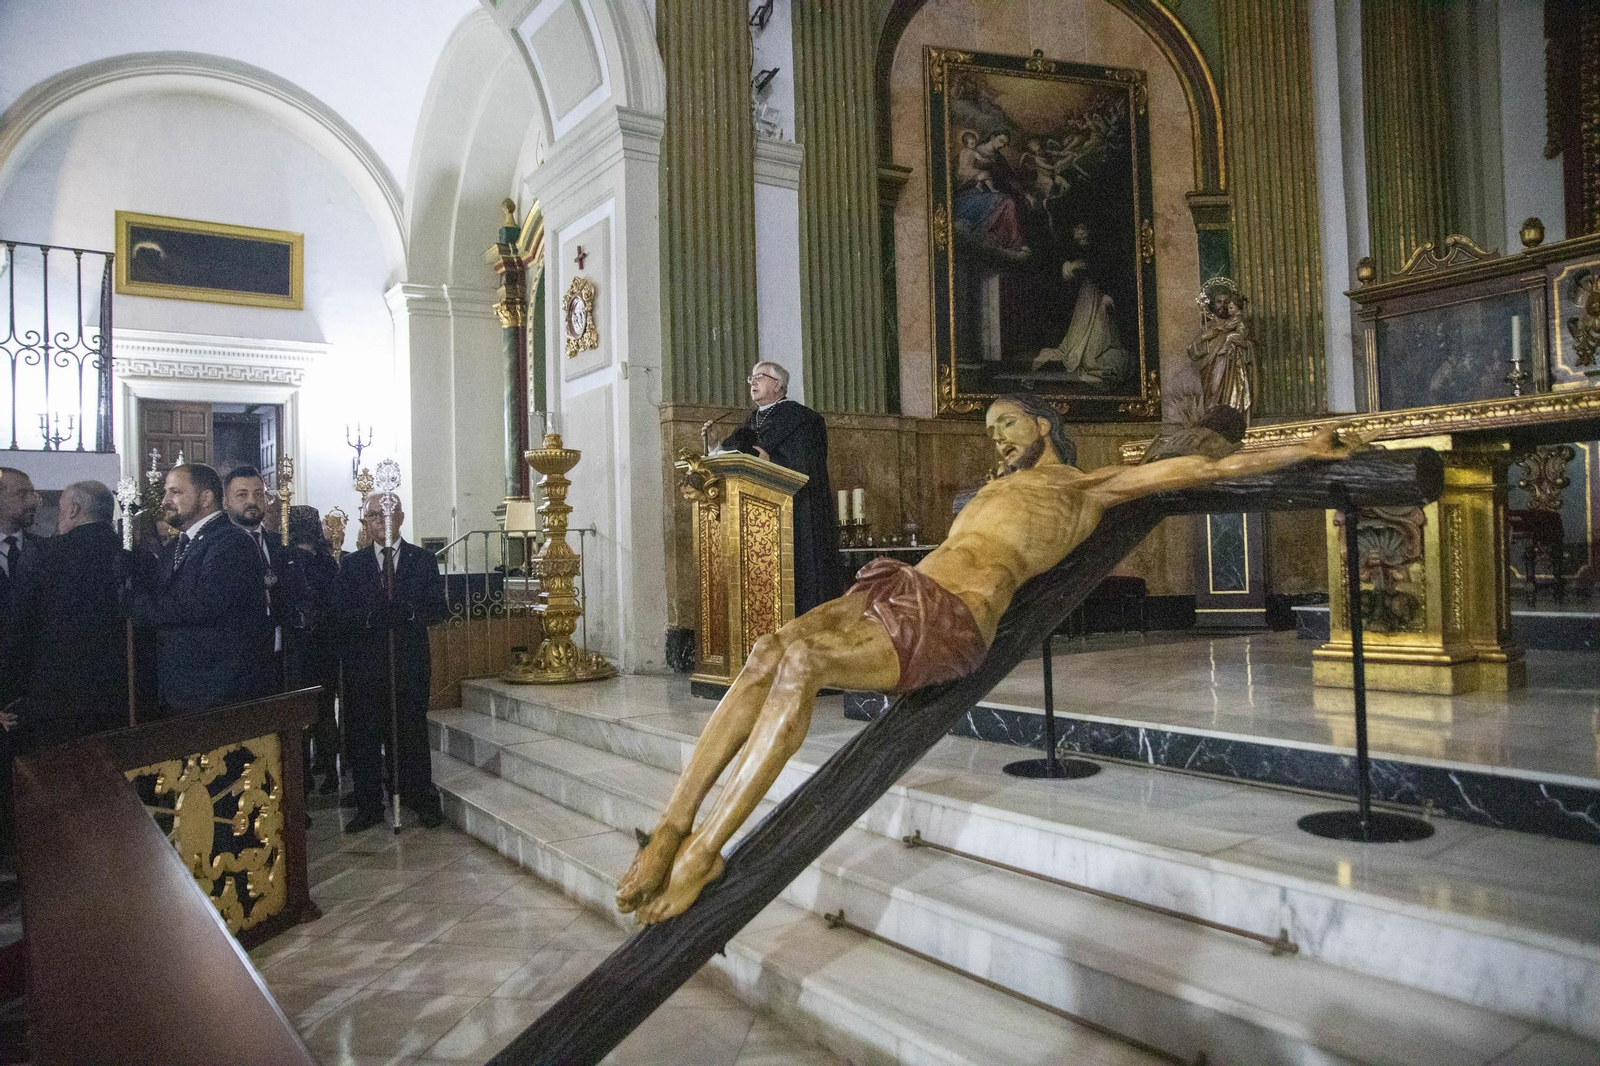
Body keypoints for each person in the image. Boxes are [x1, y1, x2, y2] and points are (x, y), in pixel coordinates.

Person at [618, 393, 1357, 924]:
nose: (997, 438)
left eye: (1007, 423)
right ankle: (672, 828)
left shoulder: (1086, 486)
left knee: (802, 670)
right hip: (899, 585)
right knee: (767, 650)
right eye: (990, 429)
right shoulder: (996, 488)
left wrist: (1306, 447)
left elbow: (1203, 472)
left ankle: (708, 851)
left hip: (950, 617)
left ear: (1045, 424)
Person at [334, 493, 447, 832]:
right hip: (366, 668)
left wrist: (409, 613)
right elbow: (339, 614)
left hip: (409, 663)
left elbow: (438, 610)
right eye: (373, 516)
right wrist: (370, 618)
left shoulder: (422, 560)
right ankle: (370, 806)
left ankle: (419, 796)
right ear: (365, 522)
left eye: (387, 514)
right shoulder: (352, 565)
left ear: (400, 517)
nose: (380, 521)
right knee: (366, 735)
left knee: (411, 732)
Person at [127, 463, 276, 716]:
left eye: (175, 492)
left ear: (206, 497)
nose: (165, 501)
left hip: (217, 693)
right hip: (184, 691)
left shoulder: (231, 542)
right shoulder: (180, 544)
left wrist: (139, 606)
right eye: (166, 492)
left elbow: (204, 605)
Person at [712, 361, 842, 615]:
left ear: (778, 385)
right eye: (751, 378)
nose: (753, 382)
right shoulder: (751, 421)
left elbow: (808, 465)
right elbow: (731, 456)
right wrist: (715, 445)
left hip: (797, 516)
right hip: (756, 522)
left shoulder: (803, 419)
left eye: (759, 377)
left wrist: (772, 462)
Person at [13, 481, 130, 748]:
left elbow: (21, 624)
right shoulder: (134, 557)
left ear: (74, 509)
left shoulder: (45, 557)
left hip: (55, 697)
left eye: (61, 509)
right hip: (121, 695)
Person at [223, 465, 314, 690]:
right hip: (235, 667)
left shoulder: (280, 546)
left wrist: (299, 616)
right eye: (242, 495)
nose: (251, 501)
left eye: (258, 494)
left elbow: (302, 595)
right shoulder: (219, 548)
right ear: (225, 502)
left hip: (281, 661)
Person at [287, 504, 342, 793]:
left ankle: (306, 776)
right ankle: (329, 771)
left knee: (303, 713)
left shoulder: (289, 560)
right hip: (326, 646)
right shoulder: (327, 561)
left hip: (302, 646)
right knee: (324, 712)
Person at [0, 468, 45, 713]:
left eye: (32, 494)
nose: (32, 502)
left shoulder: (45, 551)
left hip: (36, 690)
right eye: (22, 494)